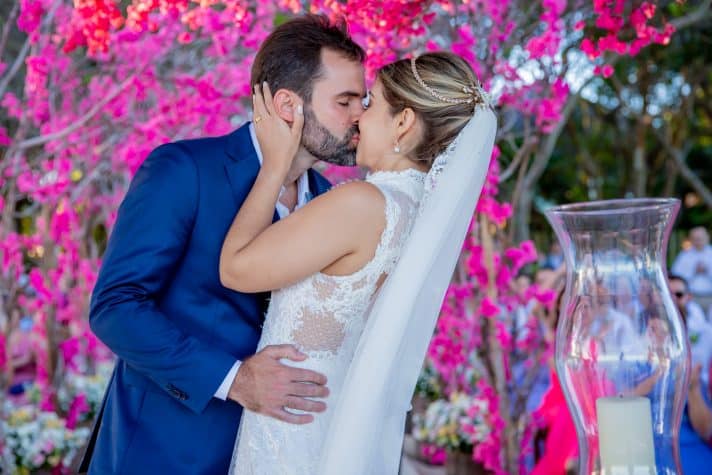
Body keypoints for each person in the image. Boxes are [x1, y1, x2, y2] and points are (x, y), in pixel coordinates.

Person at [81, 15, 366, 475]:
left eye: (363, 100)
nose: (360, 116)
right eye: (346, 101)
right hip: (164, 453)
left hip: (277, 453)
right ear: (288, 105)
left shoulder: (335, 202)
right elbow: (115, 307)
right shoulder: (184, 170)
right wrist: (235, 379)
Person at [224, 53, 493, 473]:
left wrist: (276, 164)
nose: (356, 119)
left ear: (403, 123)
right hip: (326, 419)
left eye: (369, 104)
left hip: (293, 428)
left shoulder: (362, 203)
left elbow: (236, 269)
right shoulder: (416, 210)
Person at [672, 227, 712, 310]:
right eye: (695, 239)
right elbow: (676, 277)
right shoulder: (684, 256)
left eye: (700, 238)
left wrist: (707, 270)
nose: (698, 241)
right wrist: (693, 271)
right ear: (691, 239)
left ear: (707, 237)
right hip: (691, 298)